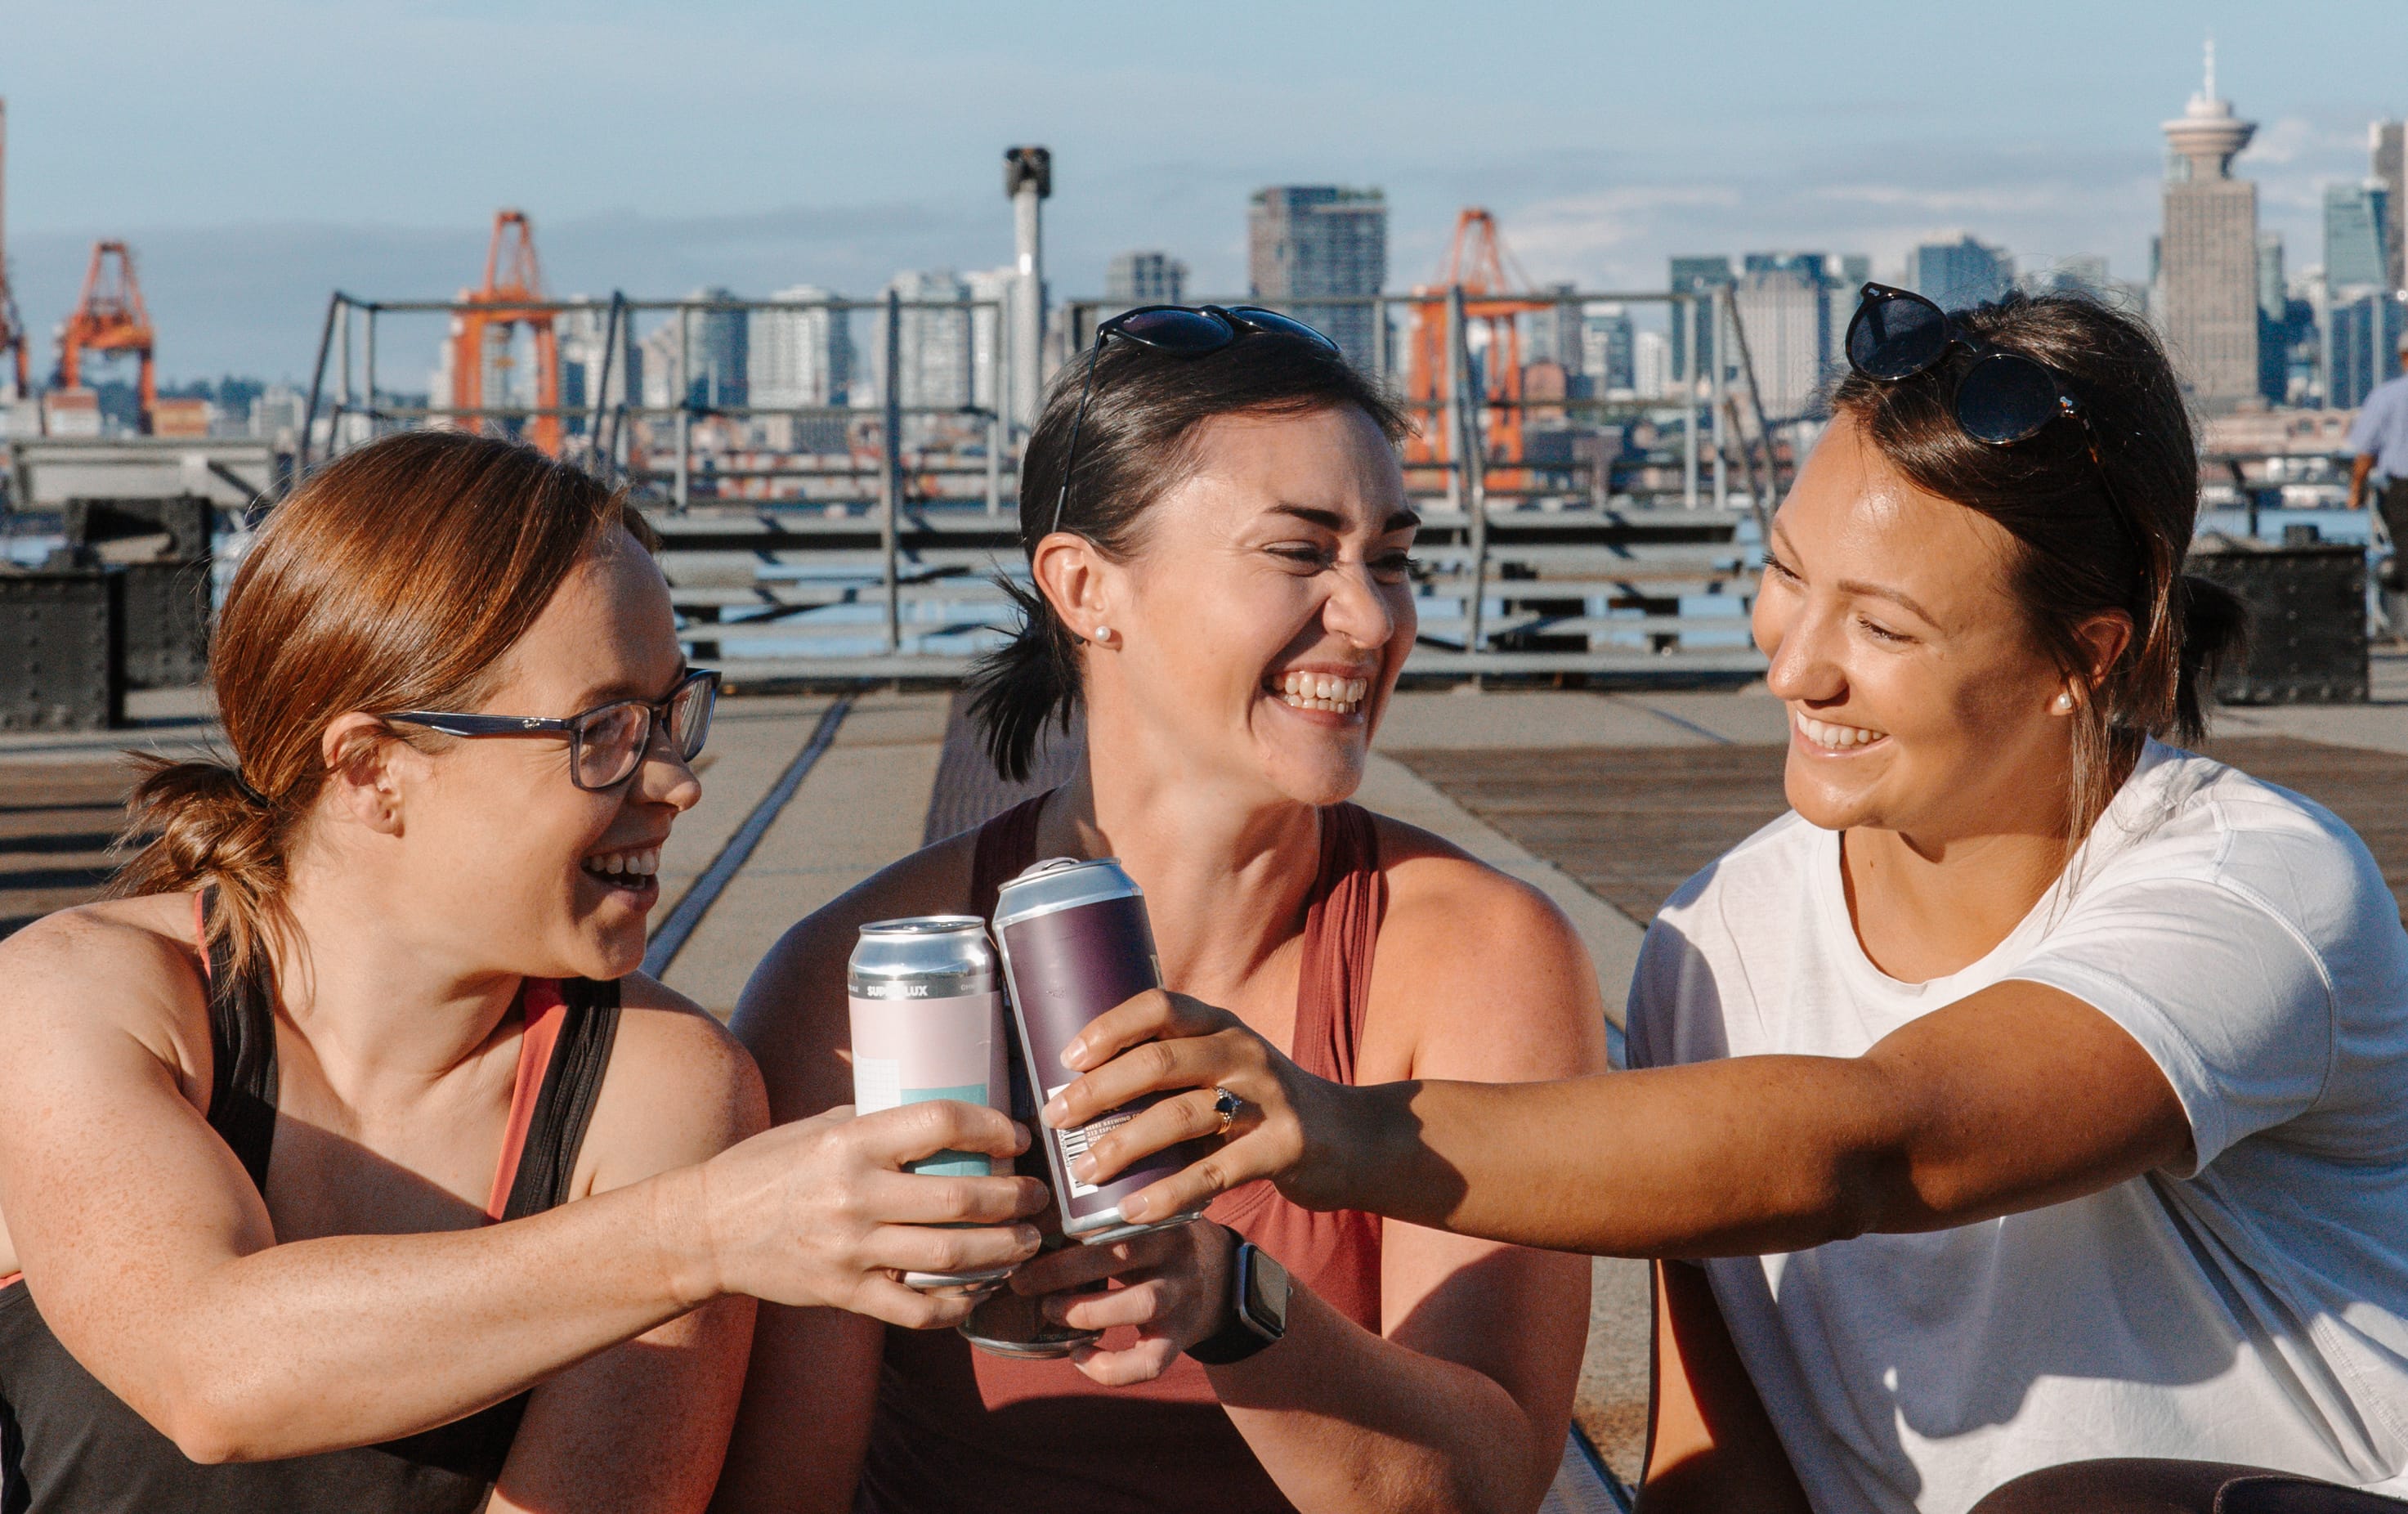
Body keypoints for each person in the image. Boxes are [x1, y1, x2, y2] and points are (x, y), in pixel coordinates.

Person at [1045, 289, 2408, 1513]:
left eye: (1881, 629)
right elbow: (1720, 1456)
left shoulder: (2254, 888)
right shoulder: (1717, 937)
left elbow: (1883, 1145)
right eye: (1785, 576)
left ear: (2082, 657)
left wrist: (1334, 1127)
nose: (1795, 666)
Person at [0, 432, 1042, 1514]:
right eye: (603, 732)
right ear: (371, 770)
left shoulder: (660, 1085)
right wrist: (709, 1233)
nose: (676, 783)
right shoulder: (84, 996)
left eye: (670, 715)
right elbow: (209, 1373)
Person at [718, 306, 1606, 1514]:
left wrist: (1234, 1305)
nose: (1373, 618)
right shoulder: (849, 980)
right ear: (1085, 587)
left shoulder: (1478, 953)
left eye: (1388, 558)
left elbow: (1487, 1484)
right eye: (1300, 553)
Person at [2347, 328, 2408, 605]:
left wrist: (2356, 490)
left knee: (2405, 553)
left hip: (2402, 490)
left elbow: (2365, 453)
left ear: (2403, 358)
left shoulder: (2386, 397)